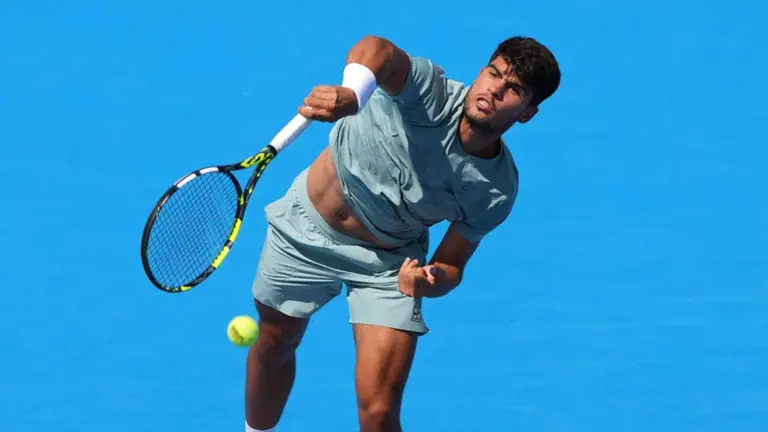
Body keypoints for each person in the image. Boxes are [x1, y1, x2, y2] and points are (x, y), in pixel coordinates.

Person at [244, 34, 560, 432]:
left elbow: (452, 264)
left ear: (527, 113)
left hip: (388, 265)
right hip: (303, 233)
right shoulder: (431, 94)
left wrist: (428, 279)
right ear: (481, 73)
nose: (495, 89)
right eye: (493, 74)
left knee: (379, 410)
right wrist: (354, 94)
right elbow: (377, 49)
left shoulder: (495, 189)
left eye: (513, 89)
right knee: (275, 345)